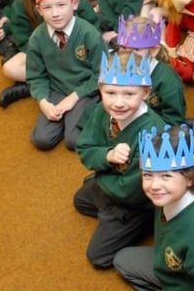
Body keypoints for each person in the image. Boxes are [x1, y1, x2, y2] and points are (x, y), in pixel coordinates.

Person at [113, 124, 194, 291]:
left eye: (166, 176)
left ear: (190, 178)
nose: (154, 185)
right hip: (175, 270)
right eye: (147, 175)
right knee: (123, 260)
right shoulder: (169, 196)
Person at [73, 51, 165, 269]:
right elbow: (84, 147)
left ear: (145, 92)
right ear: (100, 89)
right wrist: (107, 156)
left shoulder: (153, 132)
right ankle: (110, 212)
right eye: (110, 93)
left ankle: (144, 222)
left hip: (135, 202)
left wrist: (101, 174)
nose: (118, 103)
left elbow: (132, 191)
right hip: (113, 181)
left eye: (129, 94)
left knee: (98, 257)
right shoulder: (102, 112)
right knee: (80, 201)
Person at [0, 0, 99, 108]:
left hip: (76, 46)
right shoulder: (21, 2)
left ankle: (40, 84)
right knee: (9, 68)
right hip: (44, 49)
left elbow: (92, 22)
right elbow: (22, 37)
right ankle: (42, 84)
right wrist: (44, 54)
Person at [26, 0, 106, 151]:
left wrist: (73, 99)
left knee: (74, 141)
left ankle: (96, 112)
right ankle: (67, 116)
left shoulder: (89, 34)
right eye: (47, 8)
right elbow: (36, 76)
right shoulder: (37, 38)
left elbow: (102, 73)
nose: (55, 13)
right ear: (39, 10)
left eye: (61, 5)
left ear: (74, 4)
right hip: (56, 90)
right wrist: (43, 102)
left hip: (85, 89)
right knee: (42, 140)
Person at [115, 15, 185, 126]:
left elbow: (173, 122)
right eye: (123, 48)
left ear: (153, 51)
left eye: (136, 49)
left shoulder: (168, 80)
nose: (128, 55)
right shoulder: (115, 70)